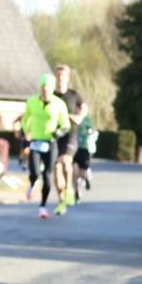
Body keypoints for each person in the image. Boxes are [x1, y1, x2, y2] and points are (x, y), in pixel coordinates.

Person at [22, 74, 70, 219]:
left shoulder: (59, 104)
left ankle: (42, 207)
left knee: (48, 176)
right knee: (35, 173)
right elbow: (25, 120)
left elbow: (66, 125)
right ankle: (32, 184)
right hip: (36, 142)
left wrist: (58, 132)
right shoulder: (31, 102)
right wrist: (27, 133)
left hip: (50, 143)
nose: (45, 91)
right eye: (43, 88)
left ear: (52, 89)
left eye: (48, 88)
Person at [53, 64, 88, 215]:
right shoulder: (51, 95)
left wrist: (79, 117)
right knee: (56, 169)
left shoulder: (74, 94)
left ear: (67, 78)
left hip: (70, 136)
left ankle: (69, 190)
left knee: (66, 162)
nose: (60, 78)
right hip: (55, 136)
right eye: (58, 75)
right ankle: (61, 200)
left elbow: (84, 107)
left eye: (63, 76)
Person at [74, 115, 98, 201]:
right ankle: (77, 192)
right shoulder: (71, 117)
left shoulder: (87, 119)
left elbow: (93, 131)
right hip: (73, 150)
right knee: (74, 172)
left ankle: (86, 179)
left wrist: (88, 132)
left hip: (84, 149)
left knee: (82, 173)